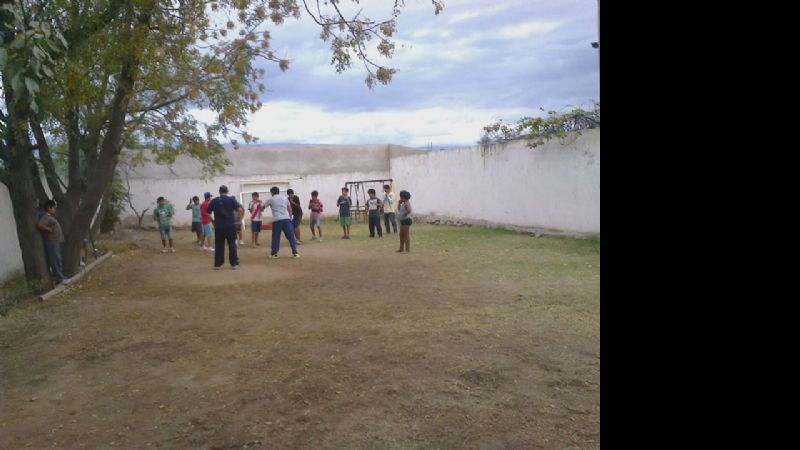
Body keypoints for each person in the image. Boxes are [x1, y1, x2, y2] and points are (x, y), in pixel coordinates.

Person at [206, 185, 244, 269]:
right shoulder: (231, 200)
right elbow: (240, 210)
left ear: (219, 192)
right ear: (227, 191)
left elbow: (207, 213)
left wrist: (213, 222)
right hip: (230, 226)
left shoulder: (214, 200)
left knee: (219, 245)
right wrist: (239, 220)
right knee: (232, 245)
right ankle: (234, 264)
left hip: (219, 227)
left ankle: (218, 265)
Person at [36, 200, 70, 285]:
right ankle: (60, 278)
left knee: (57, 259)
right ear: (49, 208)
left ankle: (59, 277)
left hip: (54, 241)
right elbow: (40, 224)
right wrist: (49, 229)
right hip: (52, 242)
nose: (55, 210)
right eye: (54, 208)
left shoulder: (49, 216)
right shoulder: (46, 217)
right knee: (55, 260)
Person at [265, 186, 300, 258]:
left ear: (272, 192)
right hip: (286, 219)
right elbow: (289, 209)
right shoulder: (285, 198)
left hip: (277, 220)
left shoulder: (271, 199)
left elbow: (262, 207)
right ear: (278, 192)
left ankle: (274, 254)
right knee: (291, 236)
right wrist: (290, 218)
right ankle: (295, 253)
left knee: (276, 237)